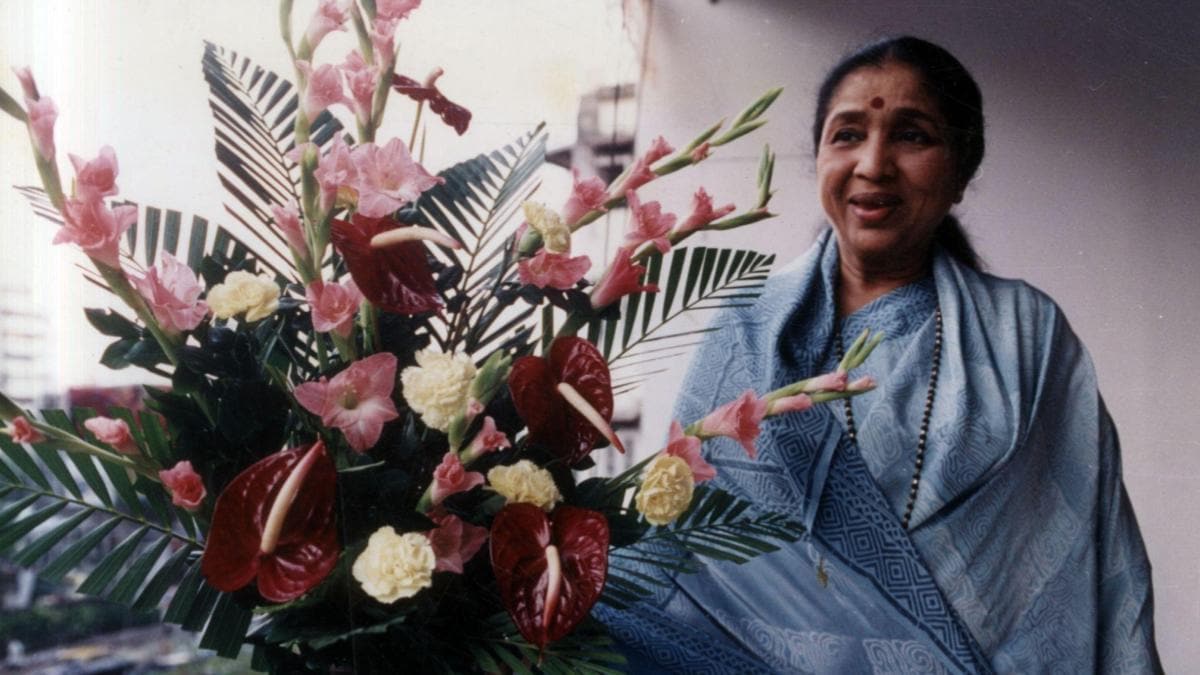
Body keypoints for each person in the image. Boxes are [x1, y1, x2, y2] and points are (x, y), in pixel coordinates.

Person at [595, 36, 1161, 673]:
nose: (873, 164)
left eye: (912, 136)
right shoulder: (748, 326)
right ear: (819, 158)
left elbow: (1092, 562)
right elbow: (682, 554)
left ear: (962, 169)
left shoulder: (1023, 333)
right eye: (847, 135)